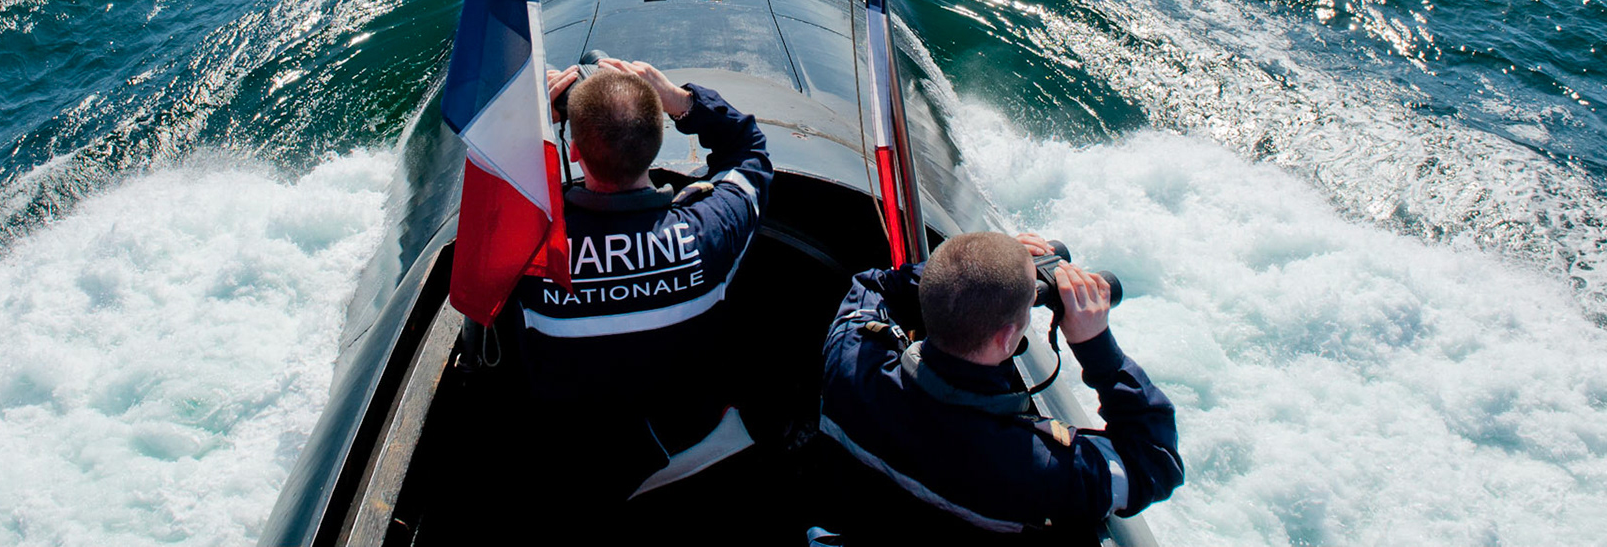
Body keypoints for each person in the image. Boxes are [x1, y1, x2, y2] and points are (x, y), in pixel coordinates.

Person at [503, 55, 773, 508]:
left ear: (573, 150)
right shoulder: (707, 234)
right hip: (698, 451)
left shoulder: (529, 253)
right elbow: (749, 149)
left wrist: (528, 130)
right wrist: (682, 102)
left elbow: (492, 206)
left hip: (583, 473)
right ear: (658, 135)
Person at [816, 230, 1182, 542]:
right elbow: (1155, 460)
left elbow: (877, 285)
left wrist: (980, 265)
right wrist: (1096, 346)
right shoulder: (1042, 468)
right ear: (1008, 339)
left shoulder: (849, 367)